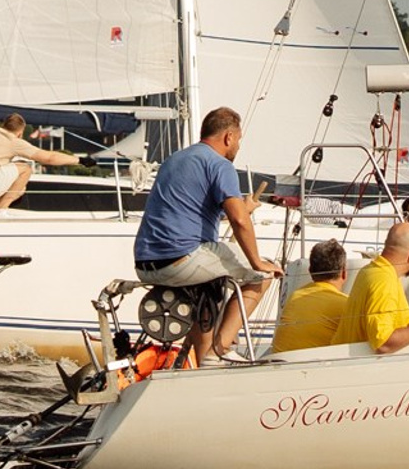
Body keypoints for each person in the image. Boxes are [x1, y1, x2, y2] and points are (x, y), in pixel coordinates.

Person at [134, 106, 280, 363]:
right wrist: (257, 262)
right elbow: (239, 220)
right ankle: (220, 348)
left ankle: (202, 363)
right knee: (264, 275)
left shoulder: (175, 159)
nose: (238, 147)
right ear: (229, 137)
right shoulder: (220, 165)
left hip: (146, 263)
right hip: (181, 259)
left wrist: (242, 209)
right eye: (239, 140)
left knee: (207, 293)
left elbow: (191, 212)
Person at [338, 219, 409, 354]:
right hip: (357, 367)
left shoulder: (372, 270)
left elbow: (408, 322)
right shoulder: (384, 281)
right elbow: (383, 343)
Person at [0, 113, 82, 213]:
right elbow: (49, 158)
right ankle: (0, 210)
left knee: (19, 188)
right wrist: (79, 160)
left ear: (3, 125)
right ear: (21, 132)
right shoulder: (13, 141)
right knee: (25, 169)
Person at [269, 240, 351, 352]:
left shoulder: (295, 296)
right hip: (311, 366)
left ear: (310, 271)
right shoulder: (345, 305)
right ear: (344, 273)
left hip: (279, 364)